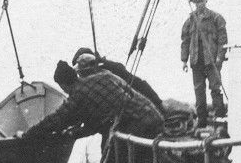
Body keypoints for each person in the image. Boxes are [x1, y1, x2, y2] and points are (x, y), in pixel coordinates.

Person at [25, 60, 164, 141]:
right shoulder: (105, 75)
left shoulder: (77, 93)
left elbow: (57, 119)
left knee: (118, 162)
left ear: (64, 85)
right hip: (155, 116)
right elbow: (97, 122)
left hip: (140, 126)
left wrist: (28, 134)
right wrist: (76, 132)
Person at [70, 46, 165, 114]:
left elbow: (138, 84)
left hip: (137, 112)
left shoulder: (112, 70)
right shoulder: (87, 86)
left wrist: (159, 104)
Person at [181, 0, 228, 125]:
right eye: (196, 2)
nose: (199, 5)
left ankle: (220, 120)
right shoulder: (190, 21)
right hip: (196, 62)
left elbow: (223, 41)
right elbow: (185, 41)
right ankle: (202, 121)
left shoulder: (216, 18)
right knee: (199, 92)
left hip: (212, 61)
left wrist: (220, 58)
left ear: (206, 1)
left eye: (201, 1)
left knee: (215, 89)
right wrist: (184, 60)